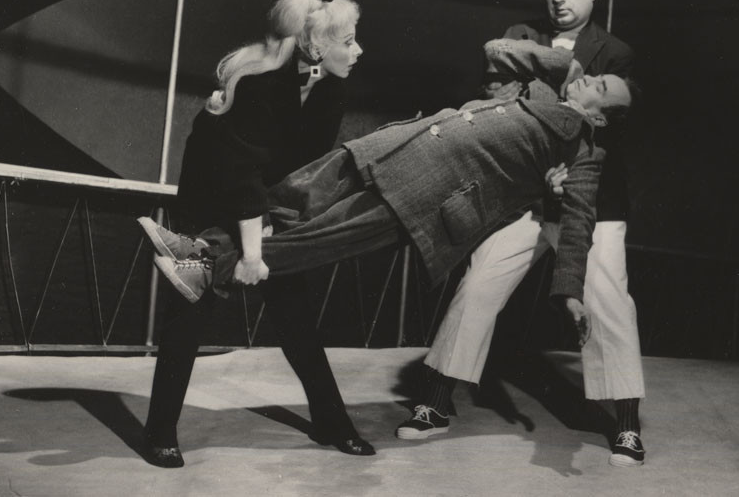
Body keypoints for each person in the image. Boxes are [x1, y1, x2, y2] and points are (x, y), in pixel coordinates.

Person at [142, 41, 634, 422]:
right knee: (288, 198)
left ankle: (207, 264)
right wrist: (567, 63)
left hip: (425, 197)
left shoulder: (583, 153)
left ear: (598, 117)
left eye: (600, 85)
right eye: (594, 74)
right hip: (397, 147)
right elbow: (498, 51)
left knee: (317, 237)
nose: (589, 77)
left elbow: (578, 225)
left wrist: (570, 292)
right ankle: (204, 246)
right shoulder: (544, 91)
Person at [395, 0, 646, 468]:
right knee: (480, 282)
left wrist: (571, 172)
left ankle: (626, 423)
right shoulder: (521, 37)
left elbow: (613, 129)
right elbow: (498, 104)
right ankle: (434, 402)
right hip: (527, 197)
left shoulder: (616, 53)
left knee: (608, 303)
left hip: (593, 201)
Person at [140, 0, 374, 469]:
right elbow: (240, 172)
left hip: (263, 204)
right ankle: (159, 431)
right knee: (190, 310)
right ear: (315, 47)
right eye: (348, 41)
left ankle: (331, 421)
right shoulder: (261, 83)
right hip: (210, 200)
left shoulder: (332, 89)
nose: (358, 50)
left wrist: (273, 225)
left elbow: (302, 168)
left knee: (295, 315)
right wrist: (250, 253)